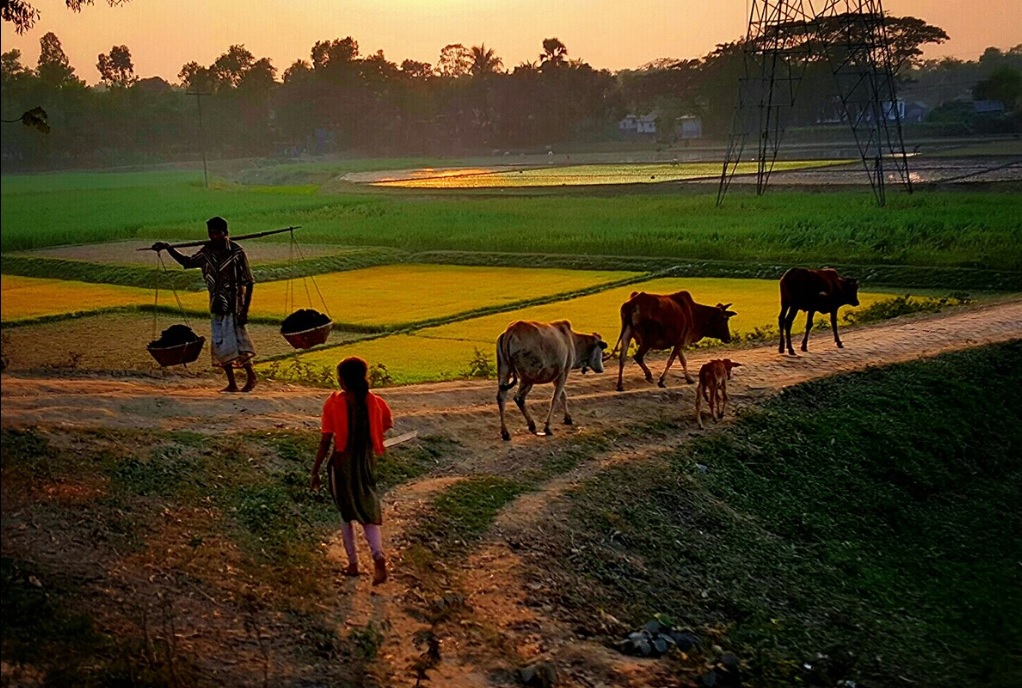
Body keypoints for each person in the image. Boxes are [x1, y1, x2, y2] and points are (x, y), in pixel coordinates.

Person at [311, 356, 394, 585]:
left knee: (345, 514)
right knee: (368, 511)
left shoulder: (334, 402)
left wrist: (315, 470)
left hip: (342, 463)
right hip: (366, 462)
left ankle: (353, 564)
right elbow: (387, 423)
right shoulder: (376, 402)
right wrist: (371, 437)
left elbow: (325, 440)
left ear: (342, 381)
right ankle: (378, 556)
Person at [152, 216, 256, 392]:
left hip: (234, 305)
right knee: (220, 343)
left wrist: (245, 310)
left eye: (217, 233)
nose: (213, 237)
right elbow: (187, 262)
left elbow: (249, 281)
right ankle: (232, 382)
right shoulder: (206, 252)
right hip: (216, 304)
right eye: (211, 233)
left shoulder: (237, 252)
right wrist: (169, 248)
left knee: (237, 343)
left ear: (225, 233)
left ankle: (251, 377)